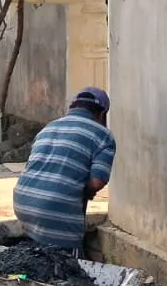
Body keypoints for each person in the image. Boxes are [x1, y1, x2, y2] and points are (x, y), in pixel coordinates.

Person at [13, 87, 115, 251]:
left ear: (72, 107)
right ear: (102, 114)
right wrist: (83, 191)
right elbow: (96, 182)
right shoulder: (103, 135)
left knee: (39, 258)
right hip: (54, 209)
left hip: (23, 202)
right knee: (67, 266)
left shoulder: (48, 128)